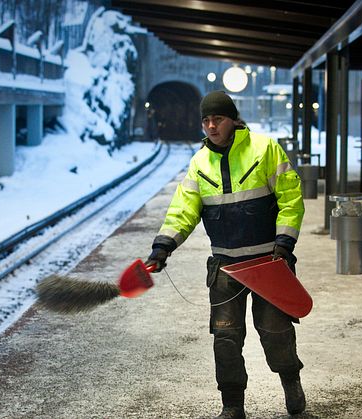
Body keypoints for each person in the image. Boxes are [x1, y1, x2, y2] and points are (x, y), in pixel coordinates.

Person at [145, 91, 306, 419]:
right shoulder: (199, 163)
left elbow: (291, 198)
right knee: (226, 338)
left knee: (276, 331)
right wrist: (163, 247)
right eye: (205, 120)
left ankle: (291, 380)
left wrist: (284, 244)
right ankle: (232, 405)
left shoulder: (265, 149)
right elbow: (182, 211)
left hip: (269, 263)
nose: (211, 125)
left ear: (233, 119)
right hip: (226, 267)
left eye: (217, 118)